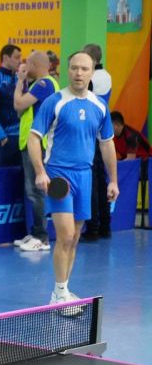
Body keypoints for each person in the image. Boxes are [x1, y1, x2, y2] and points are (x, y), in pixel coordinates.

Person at [27, 51, 118, 307]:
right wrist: (41, 172)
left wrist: (113, 180)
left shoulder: (99, 106)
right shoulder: (54, 102)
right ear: (68, 70)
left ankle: (63, 290)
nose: (79, 73)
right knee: (65, 235)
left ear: (92, 73)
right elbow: (34, 138)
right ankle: (58, 295)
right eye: (74, 68)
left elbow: (107, 144)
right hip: (59, 176)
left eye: (84, 69)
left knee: (75, 237)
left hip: (84, 176)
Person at [13, 51, 59, 252]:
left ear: (33, 64)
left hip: (38, 144)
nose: (24, 67)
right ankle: (35, 233)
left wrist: (19, 80)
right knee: (33, 190)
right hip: (30, 143)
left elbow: (18, 103)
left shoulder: (44, 84)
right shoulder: (38, 85)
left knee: (36, 191)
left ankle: (42, 237)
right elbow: (20, 111)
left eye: (27, 63)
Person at [81, 44, 113, 241]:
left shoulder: (91, 78)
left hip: (90, 134)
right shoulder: (106, 75)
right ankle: (105, 226)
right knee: (101, 180)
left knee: (92, 182)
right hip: (101, 131)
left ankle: (92, 228)